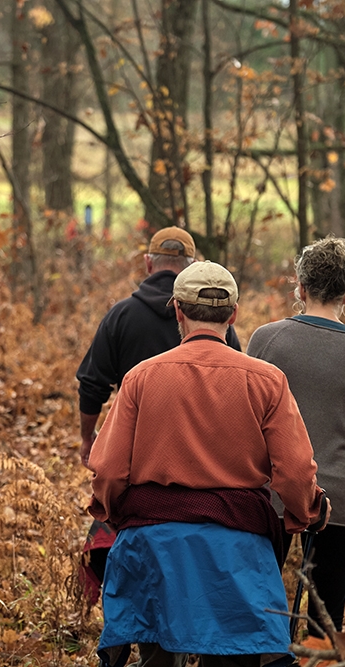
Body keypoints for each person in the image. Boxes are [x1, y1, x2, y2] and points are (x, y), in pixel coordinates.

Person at [88, 261, 330, 667]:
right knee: (234, 656)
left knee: (157, 656)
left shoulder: (140, 378)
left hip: (153, 545)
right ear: (233, 315)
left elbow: (110, 471)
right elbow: (295, 472)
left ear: (178, 311)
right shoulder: (267, 380)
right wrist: (308, 510)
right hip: (236, 551)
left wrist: (110, 511)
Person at [75, 227, 241, 599]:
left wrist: (89, 438)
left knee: (132, 558)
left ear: (149, 262)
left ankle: (128, 633)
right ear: (192, 266)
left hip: (140, 465)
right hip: (206, 469)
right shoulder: (221, 327)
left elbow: (92, 383)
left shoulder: (121, 316)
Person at [246, 236, 345, 636]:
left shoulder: (266, 339)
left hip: (270, 495)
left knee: (257, 620)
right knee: (325, 630)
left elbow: (249, 417)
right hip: (339, 498)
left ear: (300, 288)